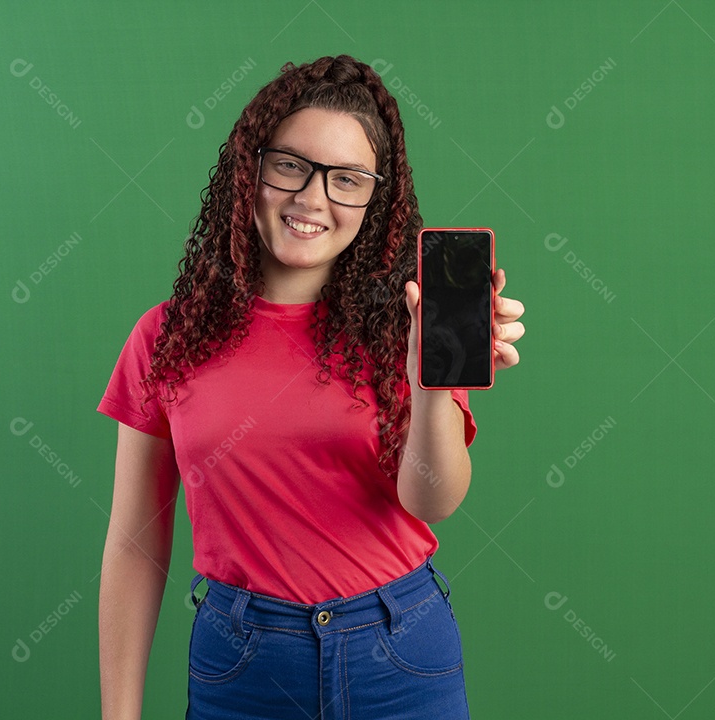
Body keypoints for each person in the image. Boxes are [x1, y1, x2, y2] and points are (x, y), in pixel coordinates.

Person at [97, 54, 526, 720]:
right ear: (251, 168)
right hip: (240, 662)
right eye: (290, 165)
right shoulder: (167, 337)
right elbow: (134, 539)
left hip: (401, 654)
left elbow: (432, 500)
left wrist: (431, 381)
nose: (313, 198)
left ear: (375, 199)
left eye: (348, 179)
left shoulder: (405, 327)